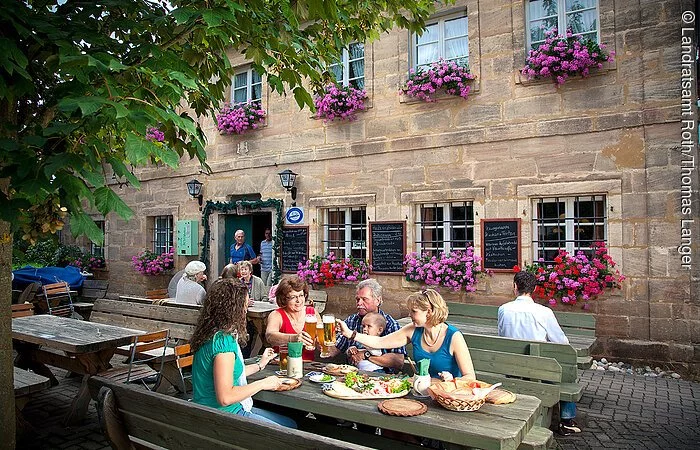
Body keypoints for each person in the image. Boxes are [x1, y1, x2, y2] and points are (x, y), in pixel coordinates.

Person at [190, 278, 296, 427]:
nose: (246, 311)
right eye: (244, 306)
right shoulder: (223, 343)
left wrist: (260, 364)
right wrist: (263, 383)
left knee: (290, 422)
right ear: (233, 309)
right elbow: (225, 397)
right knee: (290, 429)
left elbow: (228, 374)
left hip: (207, 411)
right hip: (222, 417)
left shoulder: (210, 334)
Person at [498, 271, 580, 436]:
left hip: (510, 368)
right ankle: (566, 420)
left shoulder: (503, 310)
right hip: (538, 370)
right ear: (534, 289)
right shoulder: (544, 312)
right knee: (567, 370)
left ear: (515, 287)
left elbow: (502, 337)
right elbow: (561, 343)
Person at [336, 288, 476, 379]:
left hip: (448, 394)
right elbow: (380, 342)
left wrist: (451, 380)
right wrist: (350, 334)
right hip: (423, 391)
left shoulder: (453, 336)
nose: (410, 315)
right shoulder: (413, 330)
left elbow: (470, 376)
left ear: (429, 311)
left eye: (414, 311)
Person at [324, 279, 405, 373]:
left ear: (378, 301)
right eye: (358, 299)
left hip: (381, 378)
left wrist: (366, 355)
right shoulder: (351, 321)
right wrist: (321, 341)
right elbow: (333, 351)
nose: (359, 303)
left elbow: (398, 361)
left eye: (364, 299)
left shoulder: (390, 324)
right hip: (351, 376)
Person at [265, 275, 318, 361]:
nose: (299, 301)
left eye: (301, 295)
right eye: (293, 297)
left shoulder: (312, 313)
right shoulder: (277, 315)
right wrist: (294, 338)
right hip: (282, 366)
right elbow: (270, 336)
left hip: (308, 366)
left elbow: (319, 338)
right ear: (284, 299)